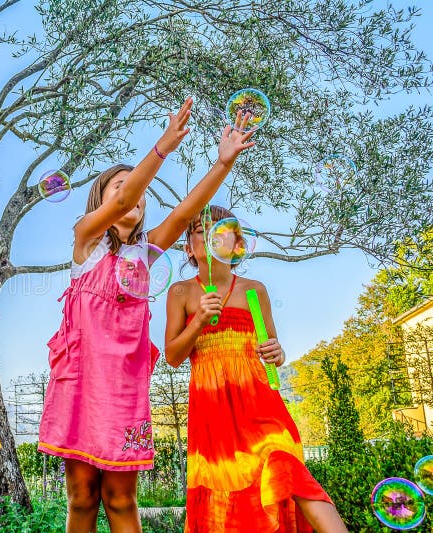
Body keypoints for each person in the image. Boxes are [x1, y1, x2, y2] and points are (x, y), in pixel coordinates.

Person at [38, 104, 257, 532]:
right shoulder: (86, 241)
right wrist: (161, 149)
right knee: (81, 497)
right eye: (122, 187)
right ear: (100, 201)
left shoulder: (147, 252)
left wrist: (222, 163)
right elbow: (123, 196)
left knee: (121, 499)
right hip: (80, 382)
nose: (133, 195)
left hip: (123, 387)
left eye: (140, 192)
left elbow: (185, 209)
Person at [164, 205, 347, 532]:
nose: (209, 235)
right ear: (188, 248)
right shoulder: (181, 293)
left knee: (286, 464)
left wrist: (277, 351)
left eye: (220, 229)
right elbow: (174, 356)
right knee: (226, 487)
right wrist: (200, 322)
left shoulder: (254, 290)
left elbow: (272, 350)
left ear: (237, 244)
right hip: (213, 412)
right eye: (199, 230)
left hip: (260, 402)